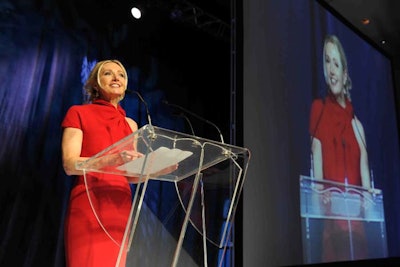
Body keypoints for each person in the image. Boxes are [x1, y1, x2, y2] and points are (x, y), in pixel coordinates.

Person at [61, 59, 142, 266]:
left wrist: (157, 170)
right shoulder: (78, 112)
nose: (116, 77)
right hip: (89, 199)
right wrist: (110, 159)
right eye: (108, 73)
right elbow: (70, 165)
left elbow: (131, 175)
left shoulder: (130, 124)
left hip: (119, 204)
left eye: (121, 74)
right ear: (95, 84)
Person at [309, 35, 372, 262]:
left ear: (345, 74)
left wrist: (367, 200)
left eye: (336, 63)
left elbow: (368, 192)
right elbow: (315, 181)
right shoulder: (318, 110)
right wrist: (322, 201)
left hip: (359, 235)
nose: (331, 69)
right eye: (327, 61)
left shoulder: (358, 127)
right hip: (332, 234)